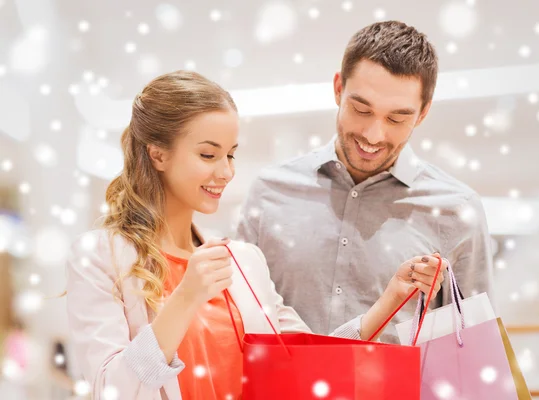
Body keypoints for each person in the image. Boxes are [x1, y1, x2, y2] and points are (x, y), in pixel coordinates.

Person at [65, 71, 447, 400]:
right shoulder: (101, 257)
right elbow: (108, 389)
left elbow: (305, 362)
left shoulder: (242, 262)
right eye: (207, 155)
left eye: (230, 154)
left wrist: (392, 298)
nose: (226, 171)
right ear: (158, 155)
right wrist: (185, 299)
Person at [236, 20, 494, 344]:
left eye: (396, 118)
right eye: (361, 109)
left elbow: (472, 347)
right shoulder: (269, 193)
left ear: (423, 113)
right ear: (338, 89)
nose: (373, 135)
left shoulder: (457, 211)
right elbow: (238, 323)